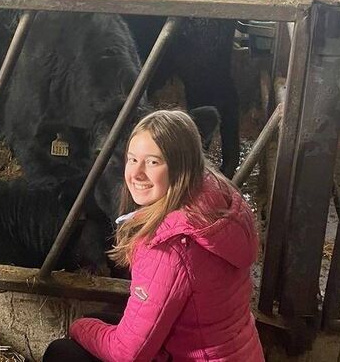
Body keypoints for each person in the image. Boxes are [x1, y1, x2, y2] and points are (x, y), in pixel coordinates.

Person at [43, 109, 264, 362]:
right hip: (233, 353)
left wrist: (77, 326)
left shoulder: (166, 247)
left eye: (153, 161)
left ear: (181, 167)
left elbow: (128, 355)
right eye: (132, 159)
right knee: (104, 321)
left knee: (62, 353)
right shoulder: (216, 197)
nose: (136, 174)